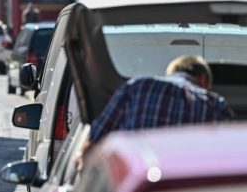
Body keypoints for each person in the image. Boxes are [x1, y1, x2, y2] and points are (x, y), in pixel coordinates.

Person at [89, 54, 232, 144]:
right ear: (202, 80)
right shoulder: (216, 104)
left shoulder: (138, 86)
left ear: (172, 73)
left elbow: (97, 135)